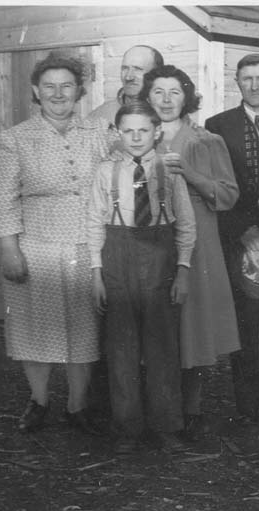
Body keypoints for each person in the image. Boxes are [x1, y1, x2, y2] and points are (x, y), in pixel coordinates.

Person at [0, 52, 111, 436]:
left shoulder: (100, 134)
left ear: (80, 92)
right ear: (35, 91)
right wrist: (10, 248)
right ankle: (39, 400)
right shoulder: (15, 139)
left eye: (67, 86)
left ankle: (77, 405)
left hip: (86, 245)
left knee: (83, 329)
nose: (58, 94)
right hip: (35, 246)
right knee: (34, 329)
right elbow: (3, 197)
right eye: (49, 86)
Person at [88, 101, 196, 454]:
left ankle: (167, 426)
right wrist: (96, 274)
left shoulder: (170, 170)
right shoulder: (106, 171)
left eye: (143, 131)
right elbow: (93, 223)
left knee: (162, 345)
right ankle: (127, 428)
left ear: (157, 132)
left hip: (160, 256)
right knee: (121, 347)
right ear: (118, 133)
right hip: (117, 256)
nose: (136, 138)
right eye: (128, 131)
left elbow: (186, 224)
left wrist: (182, 269)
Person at [140, 65, 241, 441]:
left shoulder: (205, 140)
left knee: (192, 326)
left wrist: (189, 174)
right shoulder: (135, 136)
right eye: (158, 92)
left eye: (174, 92)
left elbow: (228, 196)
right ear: (147, 97)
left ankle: (191, 410)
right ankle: (156, 409)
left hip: (197, 241)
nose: (166, 100)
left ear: (187, 97)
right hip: (148, 242)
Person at [205, 54, 259, 424]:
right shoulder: (217, 125)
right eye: (247, 79)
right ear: (237, 82)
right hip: (237, 237)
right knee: (243, 326)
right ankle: (246, 406)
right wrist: (243, 229)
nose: (255, 85)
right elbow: (215, 187)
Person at [88, 45, 164, 123]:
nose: (128, 77)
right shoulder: (101, 116)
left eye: (138, 69)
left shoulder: (168, 113)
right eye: (125, 68)